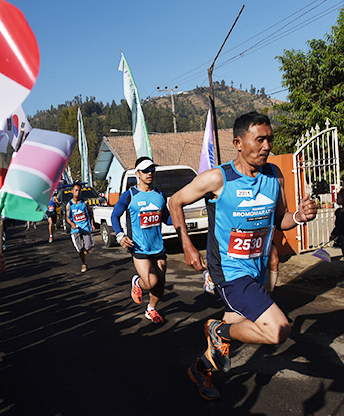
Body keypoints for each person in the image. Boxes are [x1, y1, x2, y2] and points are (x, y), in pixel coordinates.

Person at [168, 111, 317, 401]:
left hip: (256, 268)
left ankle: (201, 369)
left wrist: (299, 216)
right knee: (278, 330)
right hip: (230, 271)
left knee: (238, 327)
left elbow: (280, 219)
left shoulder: (274, 174)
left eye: (270, 140)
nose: (267, 146)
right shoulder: (218, 178)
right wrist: (187, 244)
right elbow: (175, 201)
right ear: (238, 142)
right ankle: (219, 330)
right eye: (259, 139)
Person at [111, 157, 172, 323]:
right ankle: (137, 282)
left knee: (160, 284)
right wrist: (120, 235)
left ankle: (151, 309)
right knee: (151, 282)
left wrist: (182, 220)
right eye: (145, 170)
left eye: (152, 169)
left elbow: (166, 218)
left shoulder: (160, 195)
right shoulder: (129, 195)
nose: (149, 173)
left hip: (158, 247)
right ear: (137, 173)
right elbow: (115, 216)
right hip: (139, 247)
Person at [66, 181, 95, 272]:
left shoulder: (85, 203)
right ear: (72, 191)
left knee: (89, 246)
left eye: (79, 190)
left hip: (85, 228)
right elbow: (67, 218)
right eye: (76, 190)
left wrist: (92, 223)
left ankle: (86, 250)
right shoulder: (69, 205)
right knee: (80, 249)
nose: (78, 192)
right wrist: (72, 224)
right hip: (76, 230)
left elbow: (90, 213)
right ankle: (84, 264)